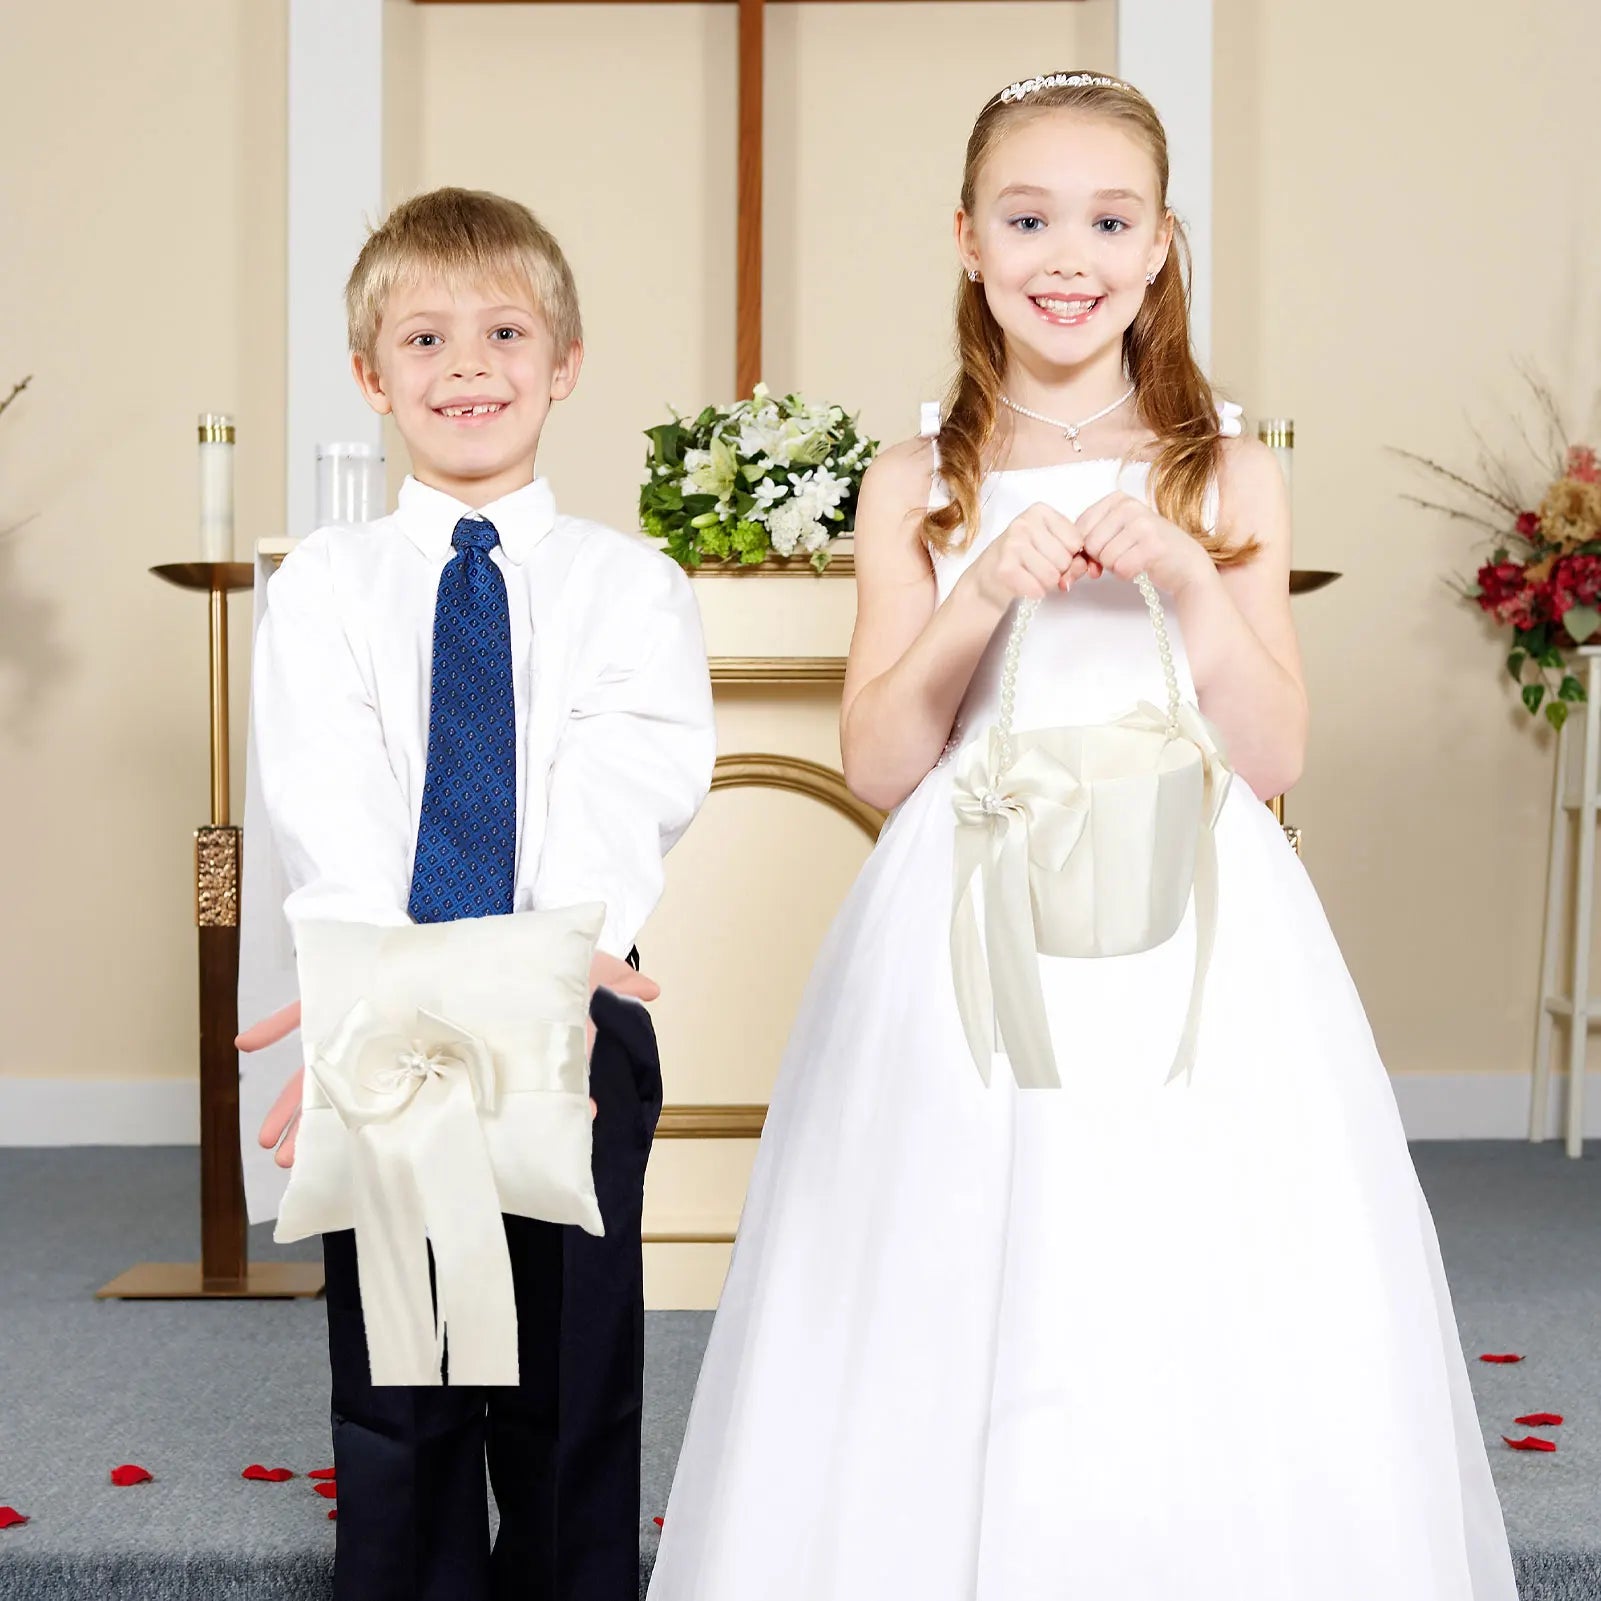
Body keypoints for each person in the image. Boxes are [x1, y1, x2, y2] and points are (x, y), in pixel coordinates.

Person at [646, 72, 1517, 1600]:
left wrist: (1187, 579)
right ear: (968, 241)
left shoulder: (1227, 469)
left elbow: (1271, 752)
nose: (1069, 254)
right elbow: (875, 760)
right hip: (973, 913)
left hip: (1191, 917)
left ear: (1161, 244)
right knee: (960, 1239)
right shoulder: (918, 481)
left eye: (1108, 220)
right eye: (1028, 217)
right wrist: (977, 592)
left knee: (1185, 1247)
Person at [244, 185, 715, 1601]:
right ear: (367, 373)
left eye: (504, 332)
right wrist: (395, 998)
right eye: (426, 337)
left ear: (562, 362)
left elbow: (622, 791)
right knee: (410, 1382)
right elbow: (333, 804)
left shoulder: (628, 586)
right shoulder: (323, 586)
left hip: (571, 1015)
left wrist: (522, 985)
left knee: (569, 1384)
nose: (466, 366)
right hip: (390, 1019)